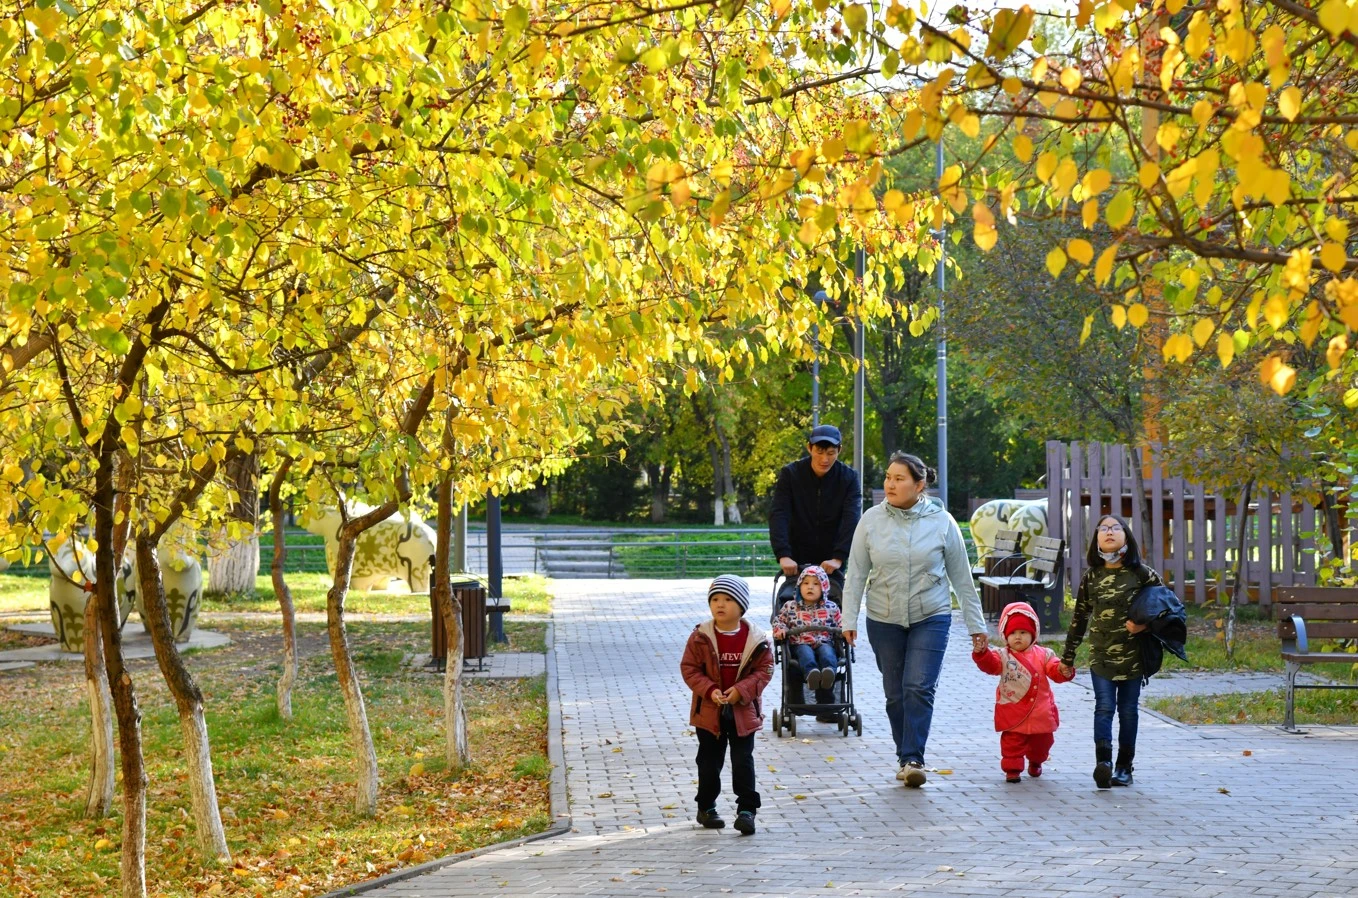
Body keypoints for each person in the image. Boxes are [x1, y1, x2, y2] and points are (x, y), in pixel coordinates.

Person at [840, 451, 988, 788]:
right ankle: (904, 752)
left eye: (899, 478)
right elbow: (856, 573)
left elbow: (961, 577)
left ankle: (912, 758)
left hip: (931, 615)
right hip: (883, 617)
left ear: (919, 485)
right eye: (888, 477)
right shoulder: (871, 520)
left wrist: (976, 625)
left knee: (917, 687)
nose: (890, 484)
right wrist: (848, 619)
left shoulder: (942, 522)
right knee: (895, 693)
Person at [1059, 514, 1164, 789]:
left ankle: (1124, 767)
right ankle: (1103, 764)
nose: (1109, 532)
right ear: (1096, 540)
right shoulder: (1091, 576)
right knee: (1104, 708)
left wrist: (1144, 625)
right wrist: (1067, 657)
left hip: (1133, 655)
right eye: (1103, 528)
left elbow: (1168, 607)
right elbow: (1079, 618)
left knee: (1128, 711)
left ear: (1126, 535)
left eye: (1115, 527)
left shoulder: (1142, 573)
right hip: (1101, 655)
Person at [680, 574, 774, 835]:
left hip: (743, 711)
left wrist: (740, 691)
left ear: (742, 605)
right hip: (709, 712)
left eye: (728, 599)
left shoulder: (755, 638)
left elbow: (765, 670)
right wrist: (710, 691)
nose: (720, 604)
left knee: (743, 760)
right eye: (715, 599)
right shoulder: (700, 636)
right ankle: (706, 807)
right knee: (709, 761)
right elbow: (689, 668)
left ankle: (746, 810)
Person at [972, 601, 1075, 783]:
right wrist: (982, 654)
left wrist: (1062, 670)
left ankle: (1036, 761)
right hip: (1013, 709)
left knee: (1042, 744)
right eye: (1012, 633)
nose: (1017, 637)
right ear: (1005, 635)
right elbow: (991, 665)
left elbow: (1054, 669)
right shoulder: (1002, 655)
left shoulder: (1044, 654)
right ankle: (1012, 769)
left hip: (1040, 712)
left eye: (1023, 632)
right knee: (1012, 741)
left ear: (1033, 634)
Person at [768, 423, 861, 601]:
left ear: (839, 450)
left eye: (831, 453)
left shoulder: (849, 478)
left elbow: (852, 518)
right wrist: (783, 554)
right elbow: (779, 513)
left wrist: (839, 557)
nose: (824, 459)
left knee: (833, 609)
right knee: (793, 611)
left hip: (832, 561)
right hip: (797, 559)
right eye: (819, 451)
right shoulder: (790, 474)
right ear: (809, 448)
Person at [771, 565, 842, 705]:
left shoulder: (831, 607)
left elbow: (841, 624)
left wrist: (846, 633)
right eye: (806, 583)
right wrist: (780, 630)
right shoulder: (790, 606)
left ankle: (829, 673)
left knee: (828, 653)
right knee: (806, 653)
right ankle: (811, 674)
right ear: (799, 586)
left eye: (816, 584)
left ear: (824, 588)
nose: (810, 587)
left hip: (824, 641)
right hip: (800, 641)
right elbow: (779, 621)